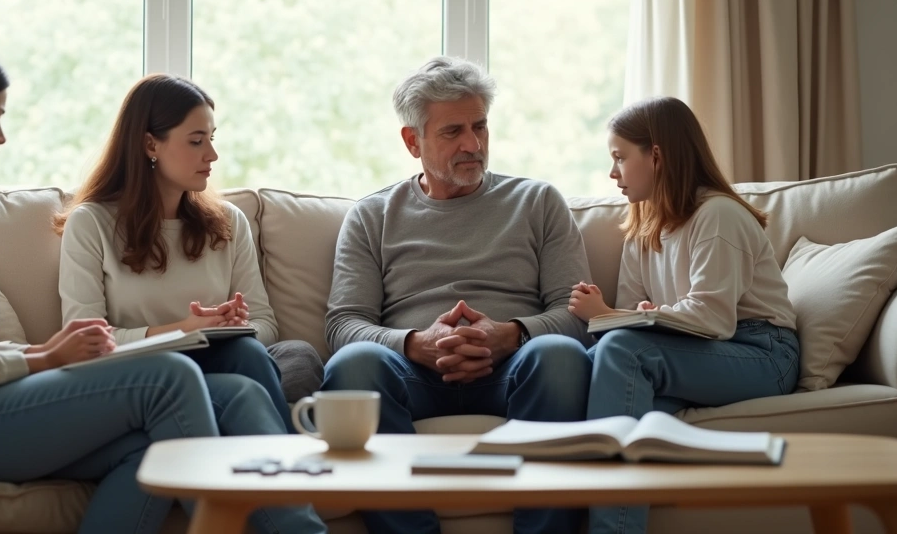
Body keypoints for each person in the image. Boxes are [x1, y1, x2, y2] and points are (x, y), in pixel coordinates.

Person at [0, 36, 325, 534]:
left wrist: (43, 351)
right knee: (169, 379)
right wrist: (42, 357)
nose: (2, 136)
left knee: (222, 398)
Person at [321, 56, 594, 534]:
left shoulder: (538, 202)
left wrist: (509, 336)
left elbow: (577, 316)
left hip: (513, 370)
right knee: (354, 365)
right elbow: (344, 324)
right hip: (413, 376)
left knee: (561, 355)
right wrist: (414, 344)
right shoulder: (372, 215)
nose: (473, 144)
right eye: (453, 132)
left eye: (480, 126)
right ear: (413, 140)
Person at [568, 96, 801, 534]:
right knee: (601, 364)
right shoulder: (643, 226)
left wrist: (609, 315)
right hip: (698, 349)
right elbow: (636, 315)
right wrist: (630, 314)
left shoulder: (718, 216)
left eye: (620, 157)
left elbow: (713, 319)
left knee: (621, 353)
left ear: (656, 155)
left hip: (763, 351)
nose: (612, 173)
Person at [56, 73, 323, 429]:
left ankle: (269, 463)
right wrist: (183, 331)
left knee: (297, 357)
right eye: (197, 141)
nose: (212, 154)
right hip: (144, 376)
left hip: (228, 358)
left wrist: (232, 324)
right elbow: (86, 341)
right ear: (150, 145)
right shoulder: (91, 223)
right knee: (245, 367)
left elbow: (266, 326)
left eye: (211, 139)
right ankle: (289, 466)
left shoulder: (228, 222)